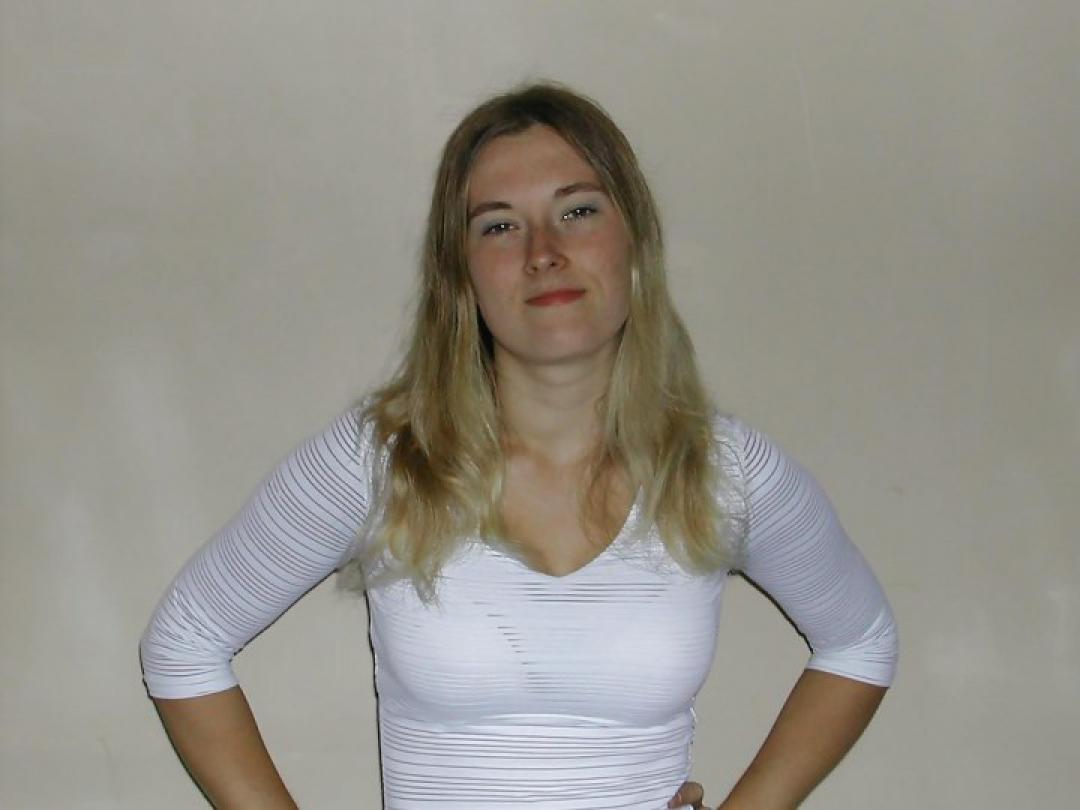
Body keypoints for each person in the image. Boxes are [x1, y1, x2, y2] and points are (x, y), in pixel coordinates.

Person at [141, 82, 898, 810]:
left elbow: (860, 642)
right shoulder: (384, 461)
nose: (543, 251)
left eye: (578, 211)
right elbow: (185, 642)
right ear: (462, 274)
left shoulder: (725, 473)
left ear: (634, 242)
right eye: (500, 226)